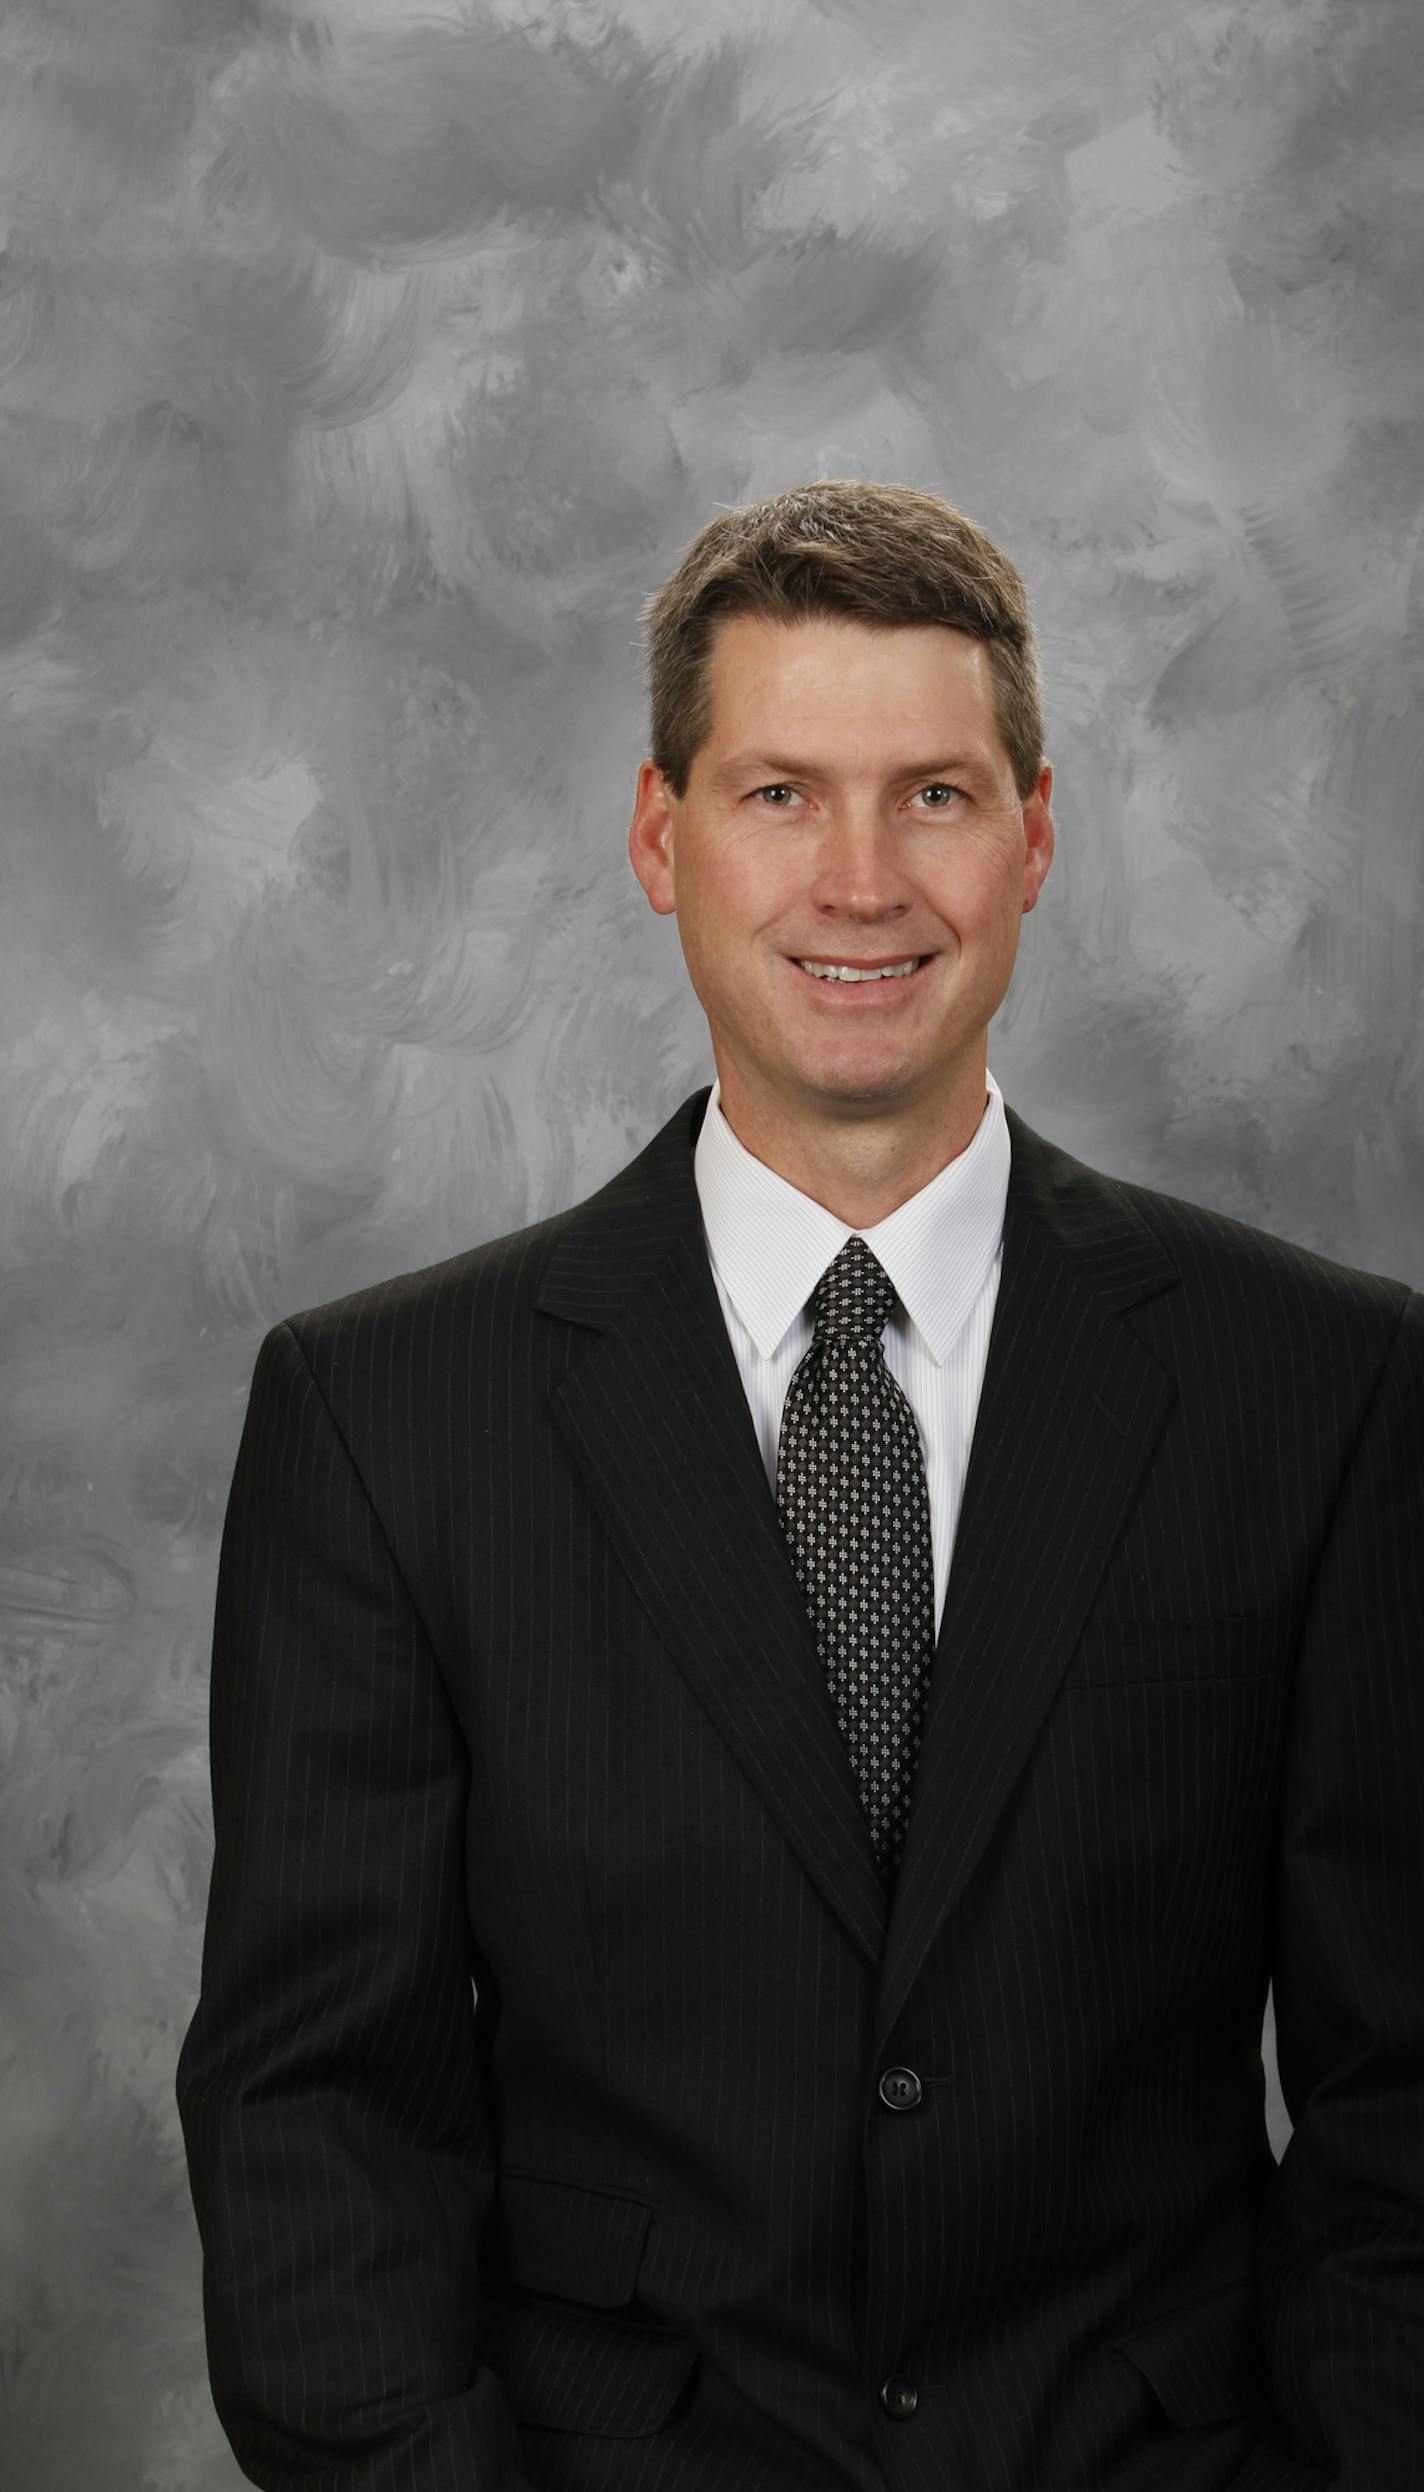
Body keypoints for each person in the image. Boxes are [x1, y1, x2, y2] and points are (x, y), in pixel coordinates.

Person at [176, 480, 1424, 2492]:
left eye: (931, 794)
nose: (862, 879)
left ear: (1034, 834)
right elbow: (319, 2116)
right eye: (779, 795)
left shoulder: (1322, 1390)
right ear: (660, 837)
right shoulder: (387, 1418)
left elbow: (1404, 2100)